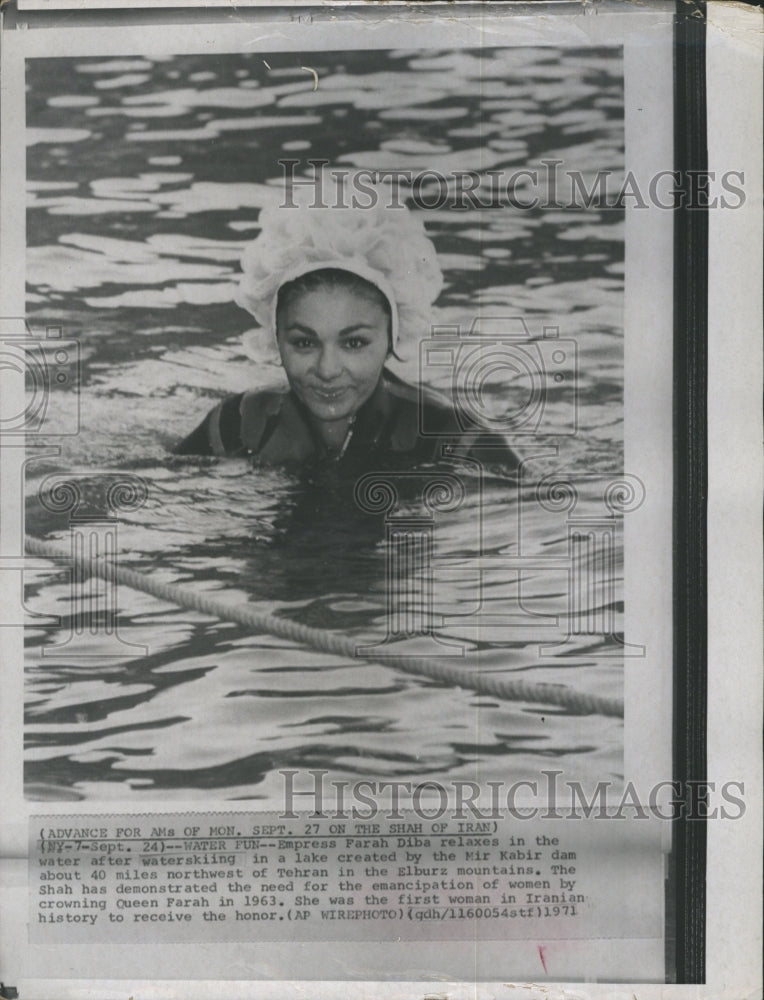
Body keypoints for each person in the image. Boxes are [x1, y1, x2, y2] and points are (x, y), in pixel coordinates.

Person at [175, 180, 519, 472]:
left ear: (391, 338)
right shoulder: (239, 426)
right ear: (274, 337)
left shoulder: (456, 441)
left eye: (354, 344)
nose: (327, 370)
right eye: (304, 343)